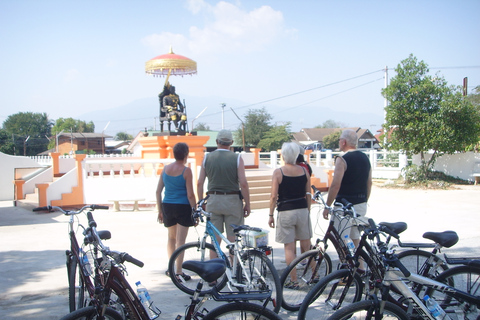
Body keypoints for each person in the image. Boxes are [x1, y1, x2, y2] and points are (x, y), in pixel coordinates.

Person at [268, 142, 312, 287]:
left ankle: (294, 280)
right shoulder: (304, 171)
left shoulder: (278, 172)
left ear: (283, 155)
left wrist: (271, 214)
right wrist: (308, 209)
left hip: (286, 210)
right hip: (302, 209)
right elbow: (308, 193)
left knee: (289, 247)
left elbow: (274, 196)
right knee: (307, 244)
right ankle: (315, 274)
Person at [197, 129, 251, 246]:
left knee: (215, 242)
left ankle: (215, 262)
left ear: (217, 141)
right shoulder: (237, 158)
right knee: (233, 239)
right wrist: (247, 203)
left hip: (213, 200)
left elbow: (199, 182)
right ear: (231, 142)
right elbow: (243, 183)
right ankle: (233, 263)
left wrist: (201, 201)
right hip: (232, 201)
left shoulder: (207, 158)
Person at [322, 129, 372, 250]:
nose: (339, 142)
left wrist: (327, 205)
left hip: (344, 206)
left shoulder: (342, 159)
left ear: (343, 142)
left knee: (342, 239)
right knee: (355, 239)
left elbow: (335, 185)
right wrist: (365, 199)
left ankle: (346, 266)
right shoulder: (365, 158)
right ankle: (359, 268)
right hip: (361, 203)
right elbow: (369, 182)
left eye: (339, 140)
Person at [156, 142, 196, 281]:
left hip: (167, 205)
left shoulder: (165, 169)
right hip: (183, 207)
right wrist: (194, 210)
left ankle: (171, 268)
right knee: (181, 241)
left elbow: (158, 191)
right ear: (186, 154)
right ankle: (178, 271)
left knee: (171, 238)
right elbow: (190, 194)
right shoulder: (186, 171)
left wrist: (159, 210)